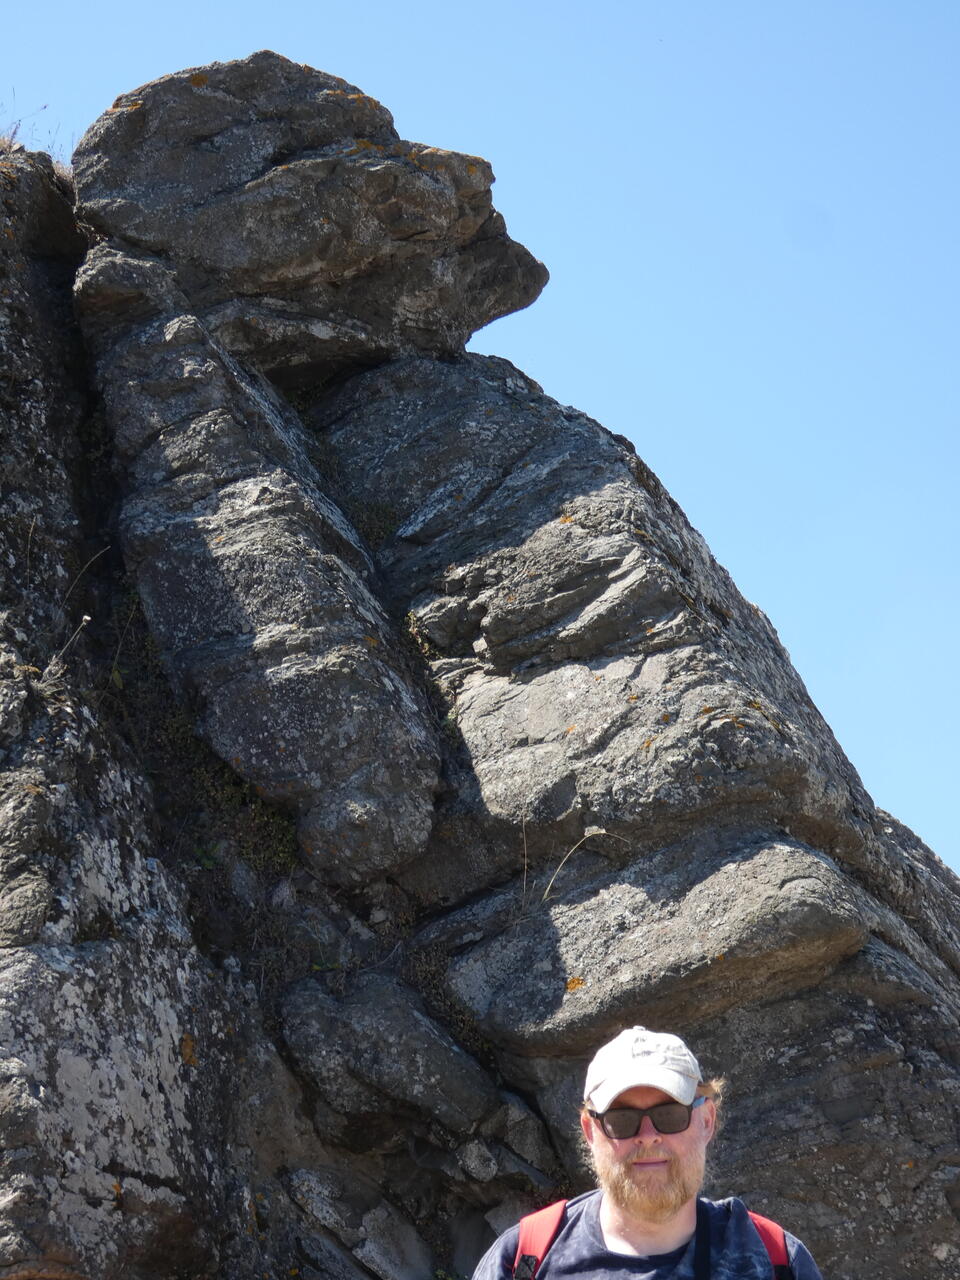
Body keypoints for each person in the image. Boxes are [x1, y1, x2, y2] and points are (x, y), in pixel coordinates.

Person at [471, 1026, 823, 1280]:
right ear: (590, 1131)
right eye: (622, 1120)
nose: (648, 1136)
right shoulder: (523, 1260)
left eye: (669, 1115)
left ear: (706, 1121)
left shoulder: (776, 1260)